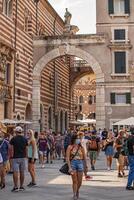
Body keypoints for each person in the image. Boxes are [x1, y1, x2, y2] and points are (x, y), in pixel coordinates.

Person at [66, 134, 88, 200]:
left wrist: (86, 166)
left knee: (80, 181)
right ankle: (74, 194)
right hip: (73, 163)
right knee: (74, 181)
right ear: (74, 139)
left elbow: (84, 158)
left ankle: (77, 190)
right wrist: (69, 167)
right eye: (77, 138)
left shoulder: (81, 147)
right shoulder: (70, 147)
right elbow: (67, 158)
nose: (79, 140)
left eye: (79, 138)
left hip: (80, 163)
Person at [10, 126, 28, 192]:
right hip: (23, 157)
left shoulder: (13, 139)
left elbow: (11, 149)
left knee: (15, 172)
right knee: (22, 172)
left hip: (15, 157)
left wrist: (11, 157)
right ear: (21, 131)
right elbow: (26, 148)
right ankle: (21, 186)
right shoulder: (25, 139)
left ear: (16, 132)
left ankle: (15, 187)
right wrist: (26, 156)